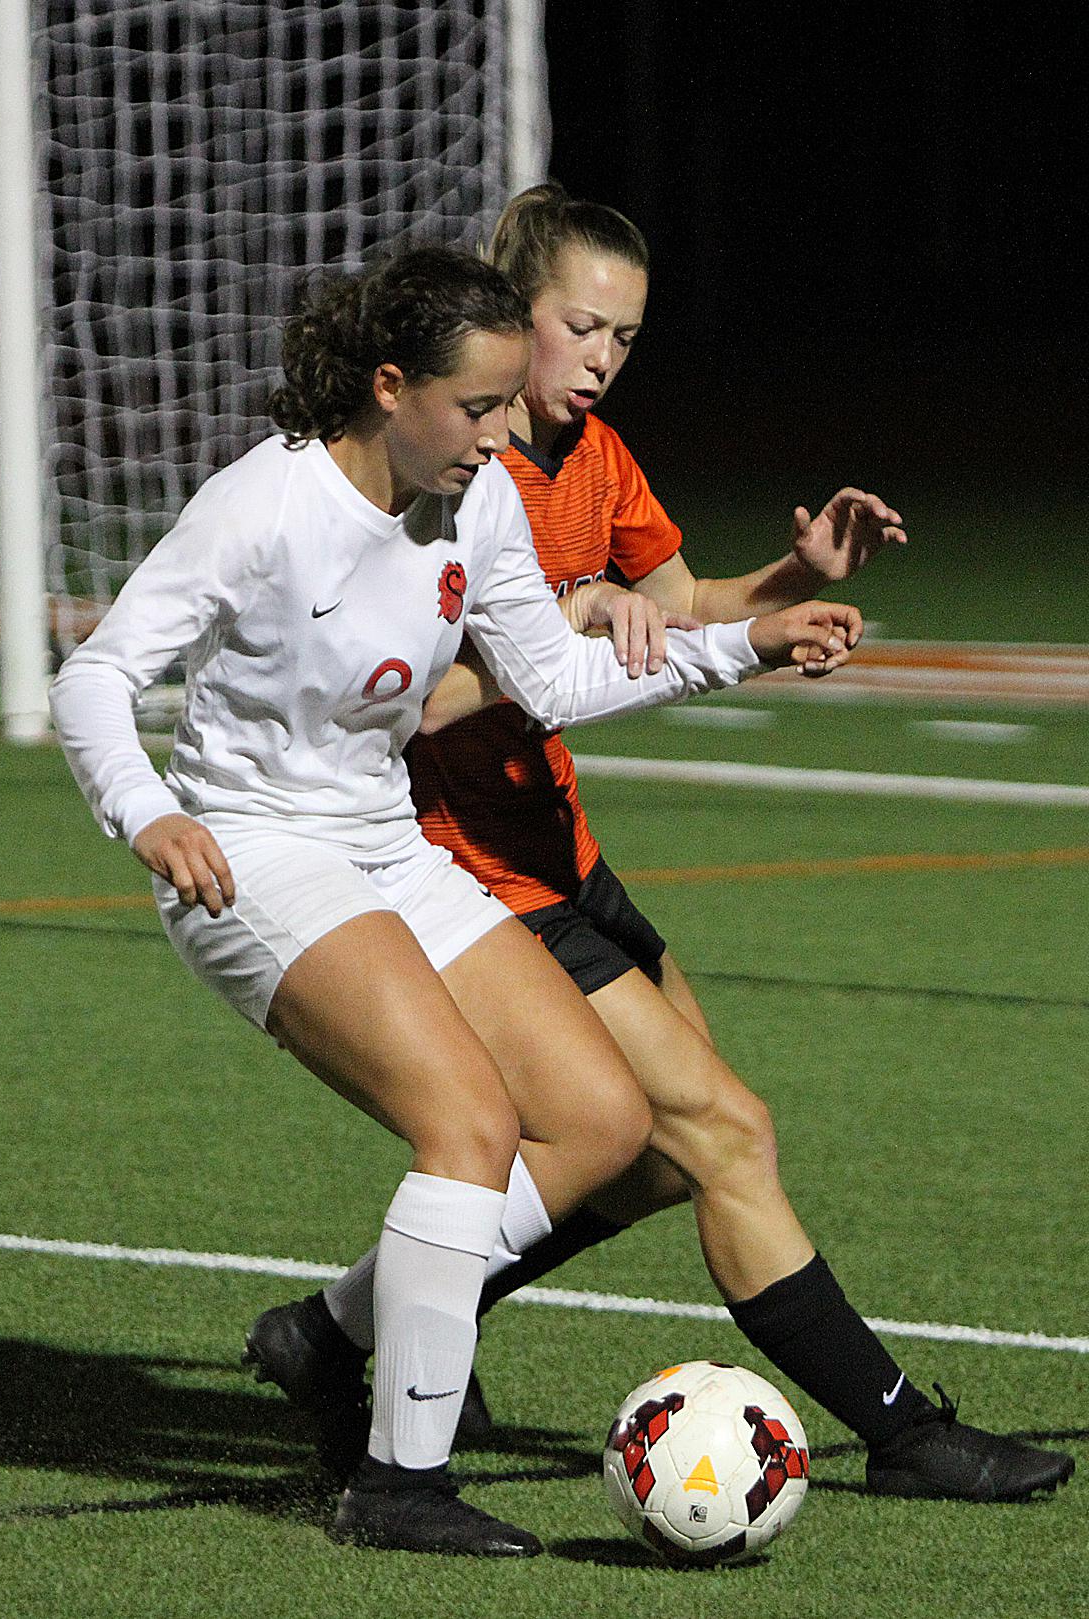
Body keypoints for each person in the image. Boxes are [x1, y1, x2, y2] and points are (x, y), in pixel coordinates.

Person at [243, 186, 1076, 1504]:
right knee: (727, 1132)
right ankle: (903, 1426)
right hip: (470, 874)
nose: (603, 358)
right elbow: (410, 691)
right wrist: (564, 626)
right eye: (583, 327)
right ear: (517, 319)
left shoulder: (600, 458)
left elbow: (676, 603)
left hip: (565, 854)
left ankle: (335, 1330)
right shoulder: (451, 480)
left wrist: (789, 578)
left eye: (625, 337)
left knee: (639, 1160)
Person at [49, 241, 862, 1556]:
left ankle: (330, 1335)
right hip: (254, 854)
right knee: (470, 1122)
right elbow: (94, 678)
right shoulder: (262, 508)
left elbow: (553, 682)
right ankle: (397, 1477)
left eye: (503, 409)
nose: (500, 434)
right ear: (389, 386)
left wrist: (743, 645)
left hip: (381, 840)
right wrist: (152, 814)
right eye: (478, 408)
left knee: (600, 1119)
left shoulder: (475, 500)